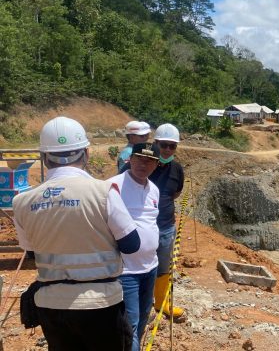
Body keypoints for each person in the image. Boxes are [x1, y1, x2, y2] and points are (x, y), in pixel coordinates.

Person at [13, 116, 139, 351]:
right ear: (87, 153)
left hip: (51, 306)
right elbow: (132, 244)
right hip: (100, 303)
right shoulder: (103, 192)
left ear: (43, 157)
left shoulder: (22, 202)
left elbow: (31, 252)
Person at [123, 124, 185, 321]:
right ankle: (135, 305)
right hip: (137, 227)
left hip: (165, 227)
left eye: (172, 146)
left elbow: (176, 193)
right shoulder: (138, 165)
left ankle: (160, 303)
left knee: (163, 266)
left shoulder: (176, 169)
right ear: (155, 143)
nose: (167, 149)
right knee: (135, 265)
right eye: (163, 145)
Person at [108, 143, 160, 351]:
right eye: (139, 158)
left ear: (156, 164)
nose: (143, 164)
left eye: (149, 161)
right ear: (130, 159)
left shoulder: (154, 189)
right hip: (126, 270)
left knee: (142, 320)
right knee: (130, 324)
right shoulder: (113, 186)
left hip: (150, 268)